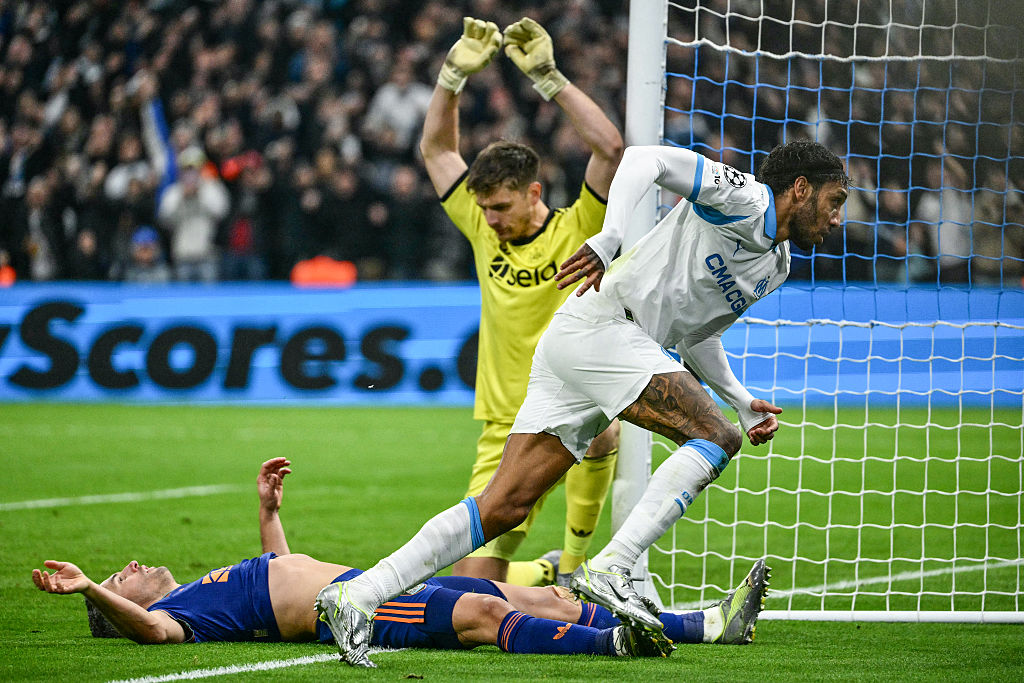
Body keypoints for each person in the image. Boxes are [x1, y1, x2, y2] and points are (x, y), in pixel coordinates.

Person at [317, 139, 847, 667]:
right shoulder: (742, 197)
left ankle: (356, 595)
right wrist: (610, 236)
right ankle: (612, 566)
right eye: (834, 200)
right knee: (716, 438)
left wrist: (740, 401)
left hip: (595, 342)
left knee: (502, 506)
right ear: (799, 190)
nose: (837, 217)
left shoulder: (775, 267)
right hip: (604, 327)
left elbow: (696, 337)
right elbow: (644, 159)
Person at [31, 459, 769, 667]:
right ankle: (619, 641)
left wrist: (268, 511)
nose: (130, 564)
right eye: (120, 575)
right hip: (354, 608)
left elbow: (279, 569)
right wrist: (92, 586)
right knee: (486, 610)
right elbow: (147, 635)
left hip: (370, 581)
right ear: (117, 606)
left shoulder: (198, 590)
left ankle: (706, 624)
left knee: (542, 598)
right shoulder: (168, 619)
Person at [418, 16, 625, 587]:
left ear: (534, 192)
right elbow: (435, 149)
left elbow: (610, 148)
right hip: (505, 426)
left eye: (502, 208)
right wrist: (452, 75)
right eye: (484, 208)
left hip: (571, 404)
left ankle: (580, 569)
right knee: (467, 588)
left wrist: (549, 77)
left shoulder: (580, 225)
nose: (490, 220)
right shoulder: (483, 227)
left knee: (604, 429)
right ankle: (546, 571)